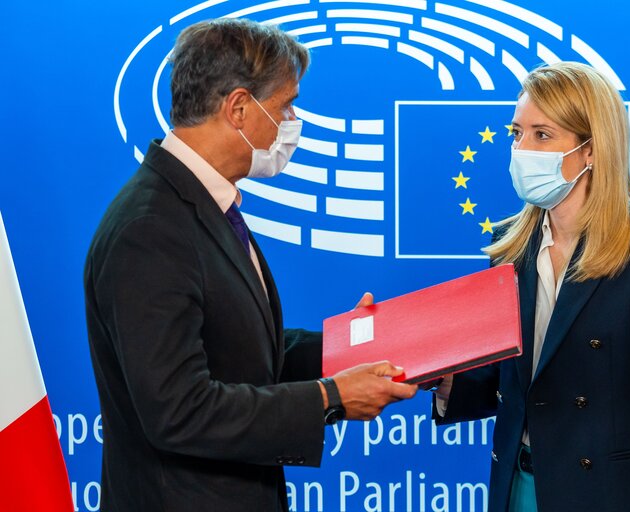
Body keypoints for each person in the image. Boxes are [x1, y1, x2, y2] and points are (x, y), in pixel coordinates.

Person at [84, 19, 416, 512]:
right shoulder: (150, 229)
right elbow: (180, 410)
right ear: (239, 108)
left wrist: (349, 347)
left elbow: (235, 349)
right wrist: (328, 397)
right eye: (285, 105)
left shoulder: (196, 204)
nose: (291, 121)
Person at [432, 62, 630, 511]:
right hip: (518, 485)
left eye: (542, 135)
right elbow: (520, 382)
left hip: (606, 495)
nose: (522, 149)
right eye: (516, 133)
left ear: (592, 149)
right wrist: (442, 377)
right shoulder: (511, 249)